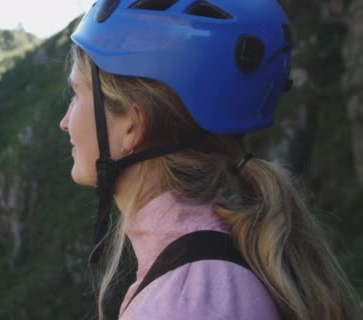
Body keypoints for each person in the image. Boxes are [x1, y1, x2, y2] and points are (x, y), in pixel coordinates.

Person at [59, 0, 362, 319]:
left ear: (133, 124)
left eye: (77, 93)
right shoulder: (206, 268)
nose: (65, 121)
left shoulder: (183, 302)